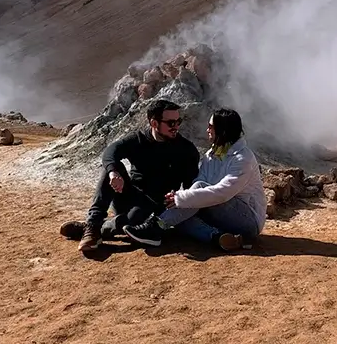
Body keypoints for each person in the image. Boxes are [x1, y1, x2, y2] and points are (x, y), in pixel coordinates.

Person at [62, 99, 201, 252]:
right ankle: (93, 224)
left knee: (135, 219)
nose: (176, 127)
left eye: (178, 121)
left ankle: (92, 228)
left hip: (153, 205)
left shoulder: (186, 150)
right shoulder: (138, 139)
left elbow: (191, 186)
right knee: (111, 168)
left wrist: (179, 199)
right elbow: (110, 152)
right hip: (128, 195)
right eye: (170, 123)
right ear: (154, 123)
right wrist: (113, 172)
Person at [121, 108, 268, 252]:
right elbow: (201, 181)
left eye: (211, 126)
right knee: (181, 214)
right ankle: (217, 237)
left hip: (248, 221)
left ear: (222, 130)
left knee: (190, 198)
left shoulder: (243, 158)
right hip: (220, 213)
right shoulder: (212, 154)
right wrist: (180, 199)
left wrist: (181, 198)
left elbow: (223, 193)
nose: (207, 130)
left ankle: (156, 226)